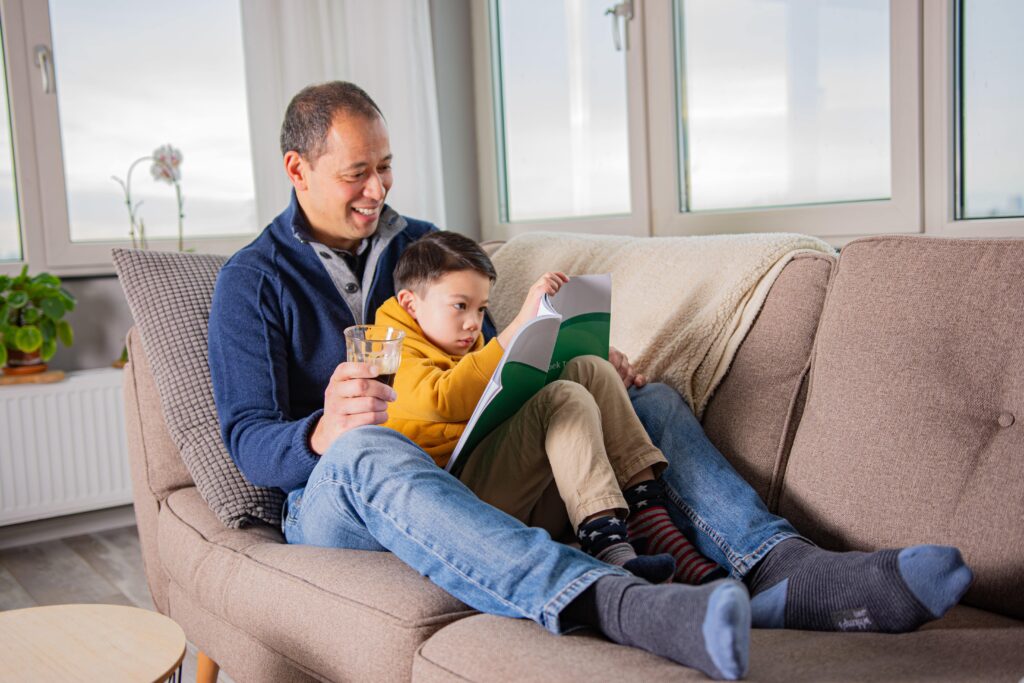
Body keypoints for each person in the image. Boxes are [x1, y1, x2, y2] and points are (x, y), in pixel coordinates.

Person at [208, 81, 972, 681]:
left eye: (385, 167)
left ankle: (781, 568)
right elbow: (247, 440)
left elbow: (494, 355)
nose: (378, 190)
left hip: (458, 463)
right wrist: (318, 430)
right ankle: (625, 603)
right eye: (356, 174)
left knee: (645, 395)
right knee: (371, 452)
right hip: (338, 497)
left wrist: (572, 347)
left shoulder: (418, 244)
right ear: (297, 170)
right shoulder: (252, 282)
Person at [374, 230, 724, 585]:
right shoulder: (389, 350)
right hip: (464, 507)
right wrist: (520, 327)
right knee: (563, 397)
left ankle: (650, 519)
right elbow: (444, 399)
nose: (473, 322)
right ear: (409, 304)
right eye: (460, 306)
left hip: (527, 490)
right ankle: (610, 548)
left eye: (481, 309)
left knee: (590, 368)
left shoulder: (458, 337)